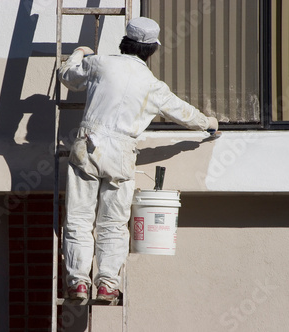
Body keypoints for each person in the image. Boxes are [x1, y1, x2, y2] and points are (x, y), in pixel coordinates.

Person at [58, 17, 218, 301]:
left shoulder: (101, 64)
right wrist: (209, 122)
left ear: (125, 41)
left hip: (88, 146)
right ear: (152, 49)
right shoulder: (152, 85)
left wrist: (80, 53)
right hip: (121, 153)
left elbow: (68, 76)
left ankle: (77, 283)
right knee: (114, 223)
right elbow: (183, 112)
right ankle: (107, 283)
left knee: (79, 219)